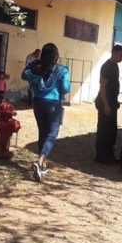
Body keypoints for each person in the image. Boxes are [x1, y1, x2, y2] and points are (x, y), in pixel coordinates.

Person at [21, 43, 70, 182]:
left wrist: (31, 65)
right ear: (56, 55)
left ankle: (42, 166)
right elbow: (66, 88)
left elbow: (23, 75)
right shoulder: (61, 70)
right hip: (54, 104)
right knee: (52, 134)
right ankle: (40, 159)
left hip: (38, 102)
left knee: (42, 132)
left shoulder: (37, 69)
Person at [94, 44, 122, 164]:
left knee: (112, 130)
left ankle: (109, 153)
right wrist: (106, 105)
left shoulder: (115, 66)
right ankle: (100, 154)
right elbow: (103, 87)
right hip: (104, 102)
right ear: (115, 53)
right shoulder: (106, 66)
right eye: (121, 55)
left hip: (112, 101)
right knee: (104, 129)